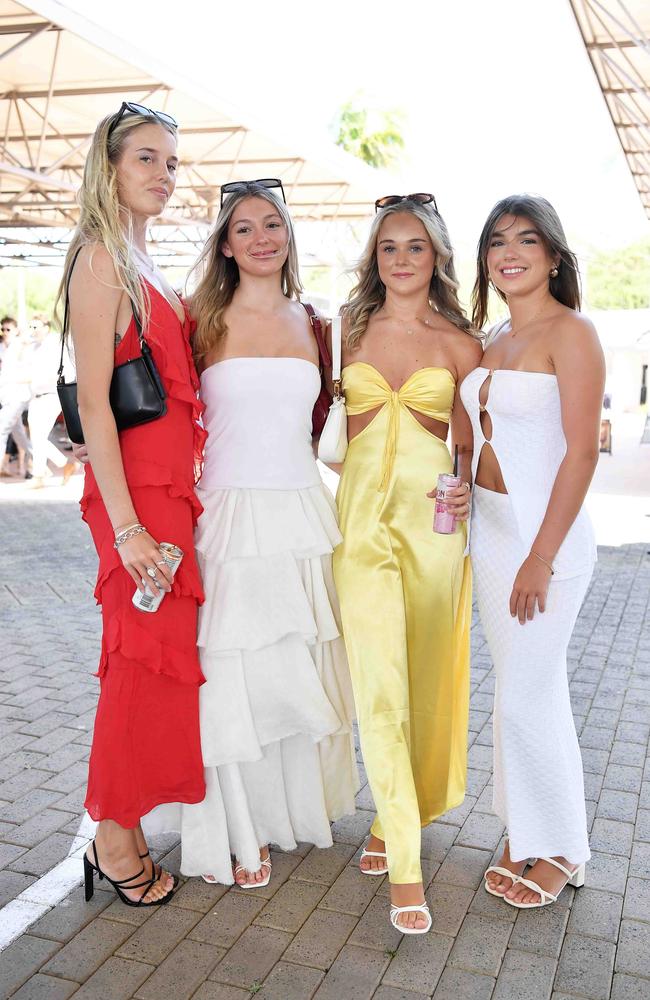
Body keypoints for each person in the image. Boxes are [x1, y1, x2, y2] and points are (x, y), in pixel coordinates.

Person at [175, 179, 358, 887]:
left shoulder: (315, 323)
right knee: (229, 674)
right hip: (226, 517)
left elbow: (335, 427)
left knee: (289, 673)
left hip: (300, 514)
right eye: (244, 228)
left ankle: (278, 818)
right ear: (224, 244)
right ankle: (230, 829)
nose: (261, 238)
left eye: (272, 224)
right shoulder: (197, 319)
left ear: (288, 237)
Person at [60, 102, 206, 906]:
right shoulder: (100, 260)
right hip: (137, 503)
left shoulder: (143, 256)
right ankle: (113, 842)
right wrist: (124, 528)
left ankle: (128, 822)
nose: (163, 174)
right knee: (135, 662)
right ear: (109, 165)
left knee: (154, 662)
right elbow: (93, 403)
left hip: (167, 494)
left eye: (172, 162)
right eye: (146, 158)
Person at [332, 194, 481, 933]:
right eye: (388, 247)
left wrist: (463, 480)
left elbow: (472, 444)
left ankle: (398, 817)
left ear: (437, 258)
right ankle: (407, 867)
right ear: (375, 259)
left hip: (433, 530)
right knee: (378, 681)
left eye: (414, 247)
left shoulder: (463, 344)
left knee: (424, 676)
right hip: (358, 527)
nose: (400, 259)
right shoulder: (345, 332)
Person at [460, 194, 604, 908]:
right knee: (518, 692)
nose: (508, 252)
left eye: (525, 239)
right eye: (495, 242)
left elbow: (581, 453)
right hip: (489, 531)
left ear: (552, 255)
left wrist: (540, 555)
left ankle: (564, 847)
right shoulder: (491, 340)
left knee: (528, 694)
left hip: (544, 542)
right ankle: (526, 831)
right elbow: (475, 442)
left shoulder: (571, 333)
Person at [27, 314, 77, 488]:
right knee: (35, 437)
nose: (32, 331)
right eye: (31, 327)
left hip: (51, 395)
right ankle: (64, 464)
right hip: (35, 397)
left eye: (36, 327)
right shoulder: (33, 347)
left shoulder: (55, 344)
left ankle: (39, 476)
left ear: (46, 327)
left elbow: (62, 371)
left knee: (39, 436)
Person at [0, 317, 33, 478]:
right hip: (6, 396)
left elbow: (29, 369)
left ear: (16, 330)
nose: (5, 332)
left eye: (8, 329)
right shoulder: (3, 347)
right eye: (3, 329)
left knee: (1, 430)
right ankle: (41, 459)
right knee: (19, 434)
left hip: (18, 396)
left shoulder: (21, 346)